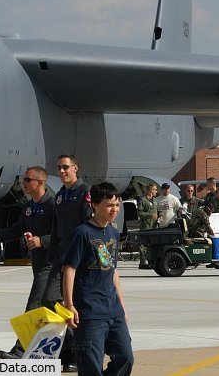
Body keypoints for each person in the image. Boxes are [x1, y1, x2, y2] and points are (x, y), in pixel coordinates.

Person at [0, 166, 58, 358]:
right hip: (38, 263)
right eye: (24, 180)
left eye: (27, 180)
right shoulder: (29, 207)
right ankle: (74, 350)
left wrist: (42, 241)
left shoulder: (53, 205)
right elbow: (16, 230)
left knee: (34, 306)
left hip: (51, 264)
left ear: (40, 183)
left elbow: (62, 234)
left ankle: (20, 350)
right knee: (52, 308)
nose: (23, 184)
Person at [62, 182, 133, 376]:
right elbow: (70, 270)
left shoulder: (113, 233)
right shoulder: (82, 233)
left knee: (125, 358)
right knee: (91, 367)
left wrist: (122, 306)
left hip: (113, 310)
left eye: (117, 205)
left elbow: (113, 271)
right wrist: (69, 305)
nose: (115, 209)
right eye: (109, 205)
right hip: (89, 313)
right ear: (94, 204)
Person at [47, 154, 92, 373]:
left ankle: (77, 353)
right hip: (60, 258)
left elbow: (87, 228)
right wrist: (52, 259)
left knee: (75, 306)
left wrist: (76, 260)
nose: (62, 171)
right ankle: (64, 351)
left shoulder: (85, 193)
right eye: (59, 168)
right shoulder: (60, 195)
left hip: (78, 260)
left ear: (76, 168)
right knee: (51, 302)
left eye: (66, 167)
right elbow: (56, 230)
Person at [136, 183, 158, 270]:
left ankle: (151, 261)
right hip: (146, 225)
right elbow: (140, 213)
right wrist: (150, 215)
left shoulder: (155, 201)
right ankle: (143, 262)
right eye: (155, 189)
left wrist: (160, 216)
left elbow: (158, 210)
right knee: (143, 244)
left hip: (154, 225)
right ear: (150, 190)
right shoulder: (143, 200)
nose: (156, 191)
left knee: (152, 243)